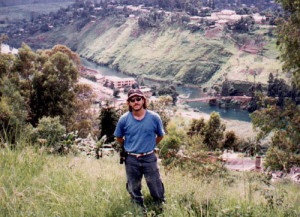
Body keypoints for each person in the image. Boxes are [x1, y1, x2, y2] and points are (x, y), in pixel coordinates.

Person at [114, 88, 165, 209]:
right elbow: (118, 137)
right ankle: (138, 208)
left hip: (149, 157)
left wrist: (151, 145)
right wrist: (129, 146)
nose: (135, 102)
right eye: (132, 100)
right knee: (133, 185)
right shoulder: (124, 119)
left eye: (138, 99)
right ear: (129, 103)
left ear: (143, 100)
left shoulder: (154, 117)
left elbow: (161, 135)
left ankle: (159, 205)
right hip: (131, 159)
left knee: (155, 183)